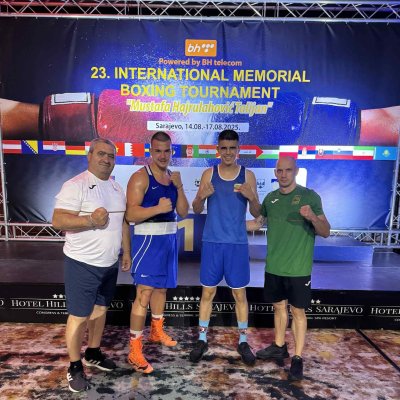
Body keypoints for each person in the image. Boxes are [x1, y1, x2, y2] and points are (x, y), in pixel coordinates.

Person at [52, 138, 131, 393]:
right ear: (89, 155)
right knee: (79, 316)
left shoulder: (117, 188)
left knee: (100, 309)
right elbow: (58, 220)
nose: (106, 159)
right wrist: (90, 220)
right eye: (101, 154)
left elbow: (123, 223)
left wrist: (126, 252)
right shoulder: (75, 185)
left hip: (109, 263)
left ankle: (93, 353)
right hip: (82, 263)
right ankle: (75, 366)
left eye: (111, 155)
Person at [254, 156, 330, 381]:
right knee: (279, 307)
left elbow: (325, 231)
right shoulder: (270, 198)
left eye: (288, 170)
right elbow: (257, 223)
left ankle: (297, 358)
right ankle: (279, 346)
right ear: (275, 173)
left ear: (295, 171)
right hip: (274, 265)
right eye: (280, 170)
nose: (284, 174)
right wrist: (228, 226)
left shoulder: (310, 196)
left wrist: (312, 217)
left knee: (297, 312)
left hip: (298, 268)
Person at [189, 129, 261, 366]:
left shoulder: (248, 175)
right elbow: (196, 209)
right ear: (218, 150)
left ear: (238, 150)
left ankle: (243, 341)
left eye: (232, 148)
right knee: (207, 293)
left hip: (236, 244)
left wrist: (252, 198)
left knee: (240, 294)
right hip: (212, 242)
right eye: (224, 148)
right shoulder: (209, 173)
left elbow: (257, 213)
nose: (228, 152)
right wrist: (201, 196)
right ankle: (202, 339)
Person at [124, 131, 189, 374]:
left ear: (172, 152)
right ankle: (134, 350)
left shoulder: (173, 178)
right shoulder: (140, 177)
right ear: (150, 151)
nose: (163, 155)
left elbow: (183, 211)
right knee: (144, 294)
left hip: (168, 241)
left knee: (161, 289)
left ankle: (156, 331)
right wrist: (157, 209)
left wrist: (179, 186)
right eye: (158, 151)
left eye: (167, 151)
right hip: (147, 242)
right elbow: (130, 214)